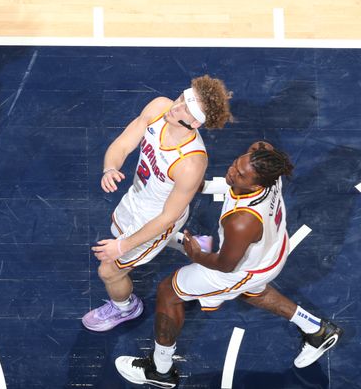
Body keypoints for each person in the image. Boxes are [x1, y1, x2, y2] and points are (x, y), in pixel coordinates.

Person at [115, 142, 343, 388]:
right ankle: (318, 330)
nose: (233, 172)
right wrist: (197, 184)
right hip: (270, 251)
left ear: (256, 185)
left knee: (168, 292)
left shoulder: (241, 222)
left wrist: (196, 253)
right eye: (236, 164)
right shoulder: (266, 161)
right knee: (251, 291)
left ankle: (160, 371)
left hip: (238, 269)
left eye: (240, 174)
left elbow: (225, 265)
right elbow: (256, 152)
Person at [82, 76, 233, 332]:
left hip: (157, 218)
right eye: (181, 98)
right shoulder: (159, 108)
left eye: (185, 108)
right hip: (135, 199)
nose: (175, 107)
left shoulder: (190, 163)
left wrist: (123, 246)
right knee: (118, 232)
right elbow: (123, 143)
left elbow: (167, 217)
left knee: (109, 271)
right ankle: (193, 244)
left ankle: (125, 307)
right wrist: (110, 168)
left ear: (195, 122)